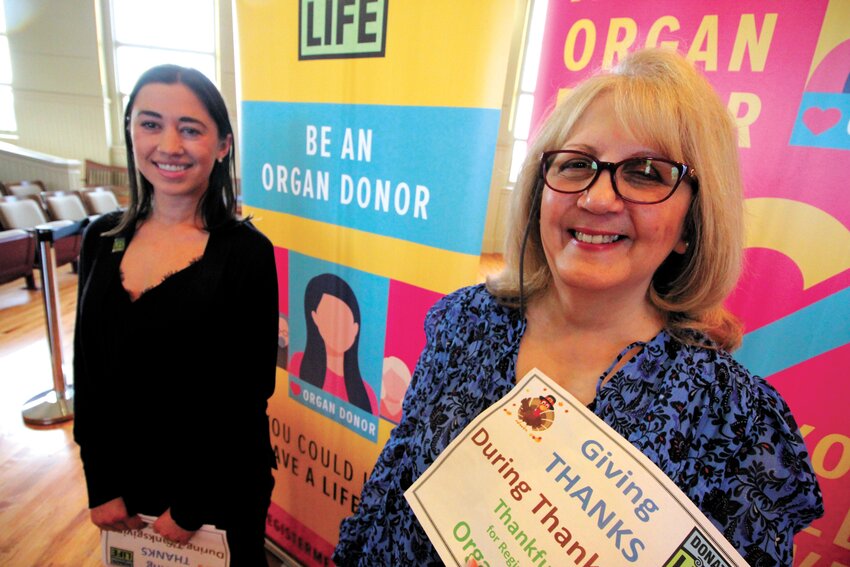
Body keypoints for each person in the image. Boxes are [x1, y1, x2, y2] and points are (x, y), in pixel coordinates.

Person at [333, 48, 823, 566]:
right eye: (576, 164)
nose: (597, 198)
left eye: (645, 173)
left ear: (691, 225)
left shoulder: (733, 421)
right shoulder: (465, 323)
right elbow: (389, 495)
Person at [73, 64, 278, 565]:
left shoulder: (246, 253)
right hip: (126, 491)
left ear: (223, 145)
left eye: (190, 129)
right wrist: (99, 481)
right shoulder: (101, 238)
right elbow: (89, 370)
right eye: (150, 124)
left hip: (215, 491)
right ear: (130, 131)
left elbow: (245, 393)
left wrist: (190, 508)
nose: (169, 145)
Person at [289, 273, 377, 414]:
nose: (338, 330)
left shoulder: (367, 394)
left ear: (355, 328)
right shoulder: (298, 364)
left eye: (345, 321)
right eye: (330, 318)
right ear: (315, 318)